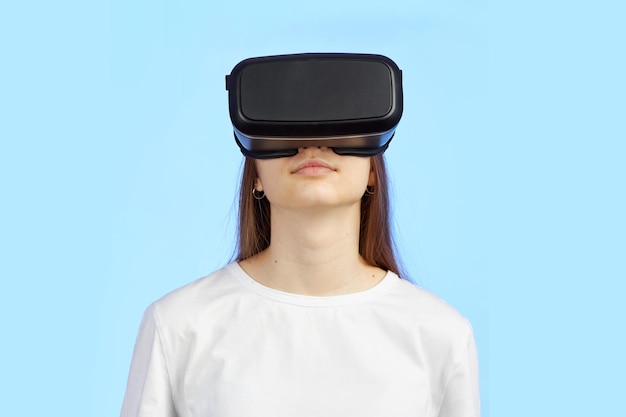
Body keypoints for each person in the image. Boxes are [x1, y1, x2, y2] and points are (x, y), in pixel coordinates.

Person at [120, 54, 480, 417]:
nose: (313, 142)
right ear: (255, 174)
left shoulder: (439, 334)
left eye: (340, 121)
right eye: (287, 125)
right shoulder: (179, 326)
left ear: (373, 170)